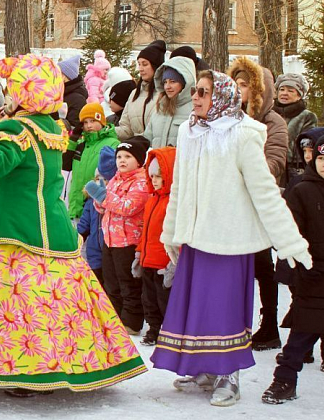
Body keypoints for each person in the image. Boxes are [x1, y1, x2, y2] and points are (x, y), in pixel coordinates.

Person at [0, 54, 146, 396]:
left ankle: (11, 372)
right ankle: (70, 362)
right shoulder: (51, 127)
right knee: (56, 303)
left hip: (9, 228)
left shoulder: (15, 128)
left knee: (7, 304)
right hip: (52, 226)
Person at [153, 71, 312, 407]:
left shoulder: (244, 135)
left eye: (204, 92)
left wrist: (290, 241)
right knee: (197, 308)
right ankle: (208, 369)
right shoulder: (189, 132)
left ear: (223, 96)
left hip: (228, 239)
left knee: (224, 309)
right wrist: (171, 232)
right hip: (195, 239)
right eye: (195, 91)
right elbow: (179, 186)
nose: (196, 97)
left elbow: (264, 192)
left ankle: (230, 376)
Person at [228, 57, 291, 351]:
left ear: (258, 90)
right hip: (231, 200)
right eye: (236, 83)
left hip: (258, 200)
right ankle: (234, 321)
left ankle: (269, 324)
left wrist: (244, 171)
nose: (239, 89)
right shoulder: (230, 118)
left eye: (245, 85)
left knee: (262, 265)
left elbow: (275, 160)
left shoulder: (272, 122)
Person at [261, 135, 324, 404]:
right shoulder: (302, 190)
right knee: (301, 335)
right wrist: (301, 267)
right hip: (314, 275)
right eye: (322, 159)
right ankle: (284, 381)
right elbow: (289, 233)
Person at [96, 137, 150, 335]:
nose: (122, 160)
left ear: (139, 160)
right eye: (119, 156)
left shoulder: (142, 182)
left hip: (129, 241)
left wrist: (104, 197)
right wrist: (98, 199)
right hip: (110, 238)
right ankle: (114, 317)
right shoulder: (115, 179)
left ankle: (132, 321)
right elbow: (105, 207)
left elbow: (128, 207)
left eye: (128, 156)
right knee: (111, 282)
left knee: (128, 283)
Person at [135, 147, 177, 346]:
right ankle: (153, 328)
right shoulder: (152, 200)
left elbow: (178, 234)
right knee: (148, 298)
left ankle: (169, 331)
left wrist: (174, 263)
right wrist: (138, 253)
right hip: (148, 259)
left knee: (165, 299)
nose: (155, 180)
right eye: (151, 176)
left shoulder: (173, 202)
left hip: (164, 262)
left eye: (159, 176)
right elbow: (145, 231)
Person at [67, 103, 120, 219]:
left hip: (97, 202)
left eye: (92, 121)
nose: (89, 126)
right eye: (85, 122)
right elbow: (66, 164)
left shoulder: (112, 143)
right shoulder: (81, 144)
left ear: (101, 121)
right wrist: (73, 139)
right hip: (76, 202)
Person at [78, 147, 117, 284]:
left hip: (110, 253)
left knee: (111, 285)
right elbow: (84, 224)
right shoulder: (91, 200)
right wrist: (78, 237)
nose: (102, 184)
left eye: (106, 180)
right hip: (94, 254)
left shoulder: (115, 200)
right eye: (99, 179)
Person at [273, 73, 318, 183]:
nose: (284, 93)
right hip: (271, 164)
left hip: (293, 168)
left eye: (290, 91)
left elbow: (305, 144)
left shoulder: (307, 116)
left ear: (299, 95)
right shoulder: (270, 114)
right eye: (282, 89)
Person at [116, 40, 165, 140]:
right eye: (139, 64)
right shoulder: (134, 94)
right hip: (135, 151)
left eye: (145, 64)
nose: (141, 69)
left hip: (156, 151)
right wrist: (105, 130)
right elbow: (126, 130)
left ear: (156, 65)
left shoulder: (165, 93)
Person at [143, 56, 195, 148]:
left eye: (173, 81)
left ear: (185, 83)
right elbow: (146, 141)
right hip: (158, 161)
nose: (167, 86)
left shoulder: (195, 109)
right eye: (165, 82)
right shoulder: (160, 108)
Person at [58, 55, 88, 131]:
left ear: (64, 76)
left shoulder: (78, 99)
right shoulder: (62, 93)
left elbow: (76, 127)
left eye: (57, 73)